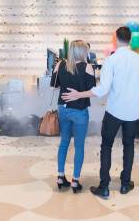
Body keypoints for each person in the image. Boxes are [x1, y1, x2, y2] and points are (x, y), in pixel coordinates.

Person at [62, 27, 139, 198]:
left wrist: (79, 94)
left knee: (106, 146)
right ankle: (125, 184)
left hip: (114, 111)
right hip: (132, 112)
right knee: (129, 146)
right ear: (130, 40)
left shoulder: (111, 60)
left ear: (116, 39)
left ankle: (104, 186)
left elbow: (102, 89)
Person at [51, 40, 96, 194]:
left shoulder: (61, 65)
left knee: (64, 143)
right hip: (79, 111)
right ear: (83, 52)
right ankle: (75, 180)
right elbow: (92, 91)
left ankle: (60, 176)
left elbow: (54, 85)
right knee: (79, 146)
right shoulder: (88, 67)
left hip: (62, 109)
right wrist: (78, 94)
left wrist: (57, 68)